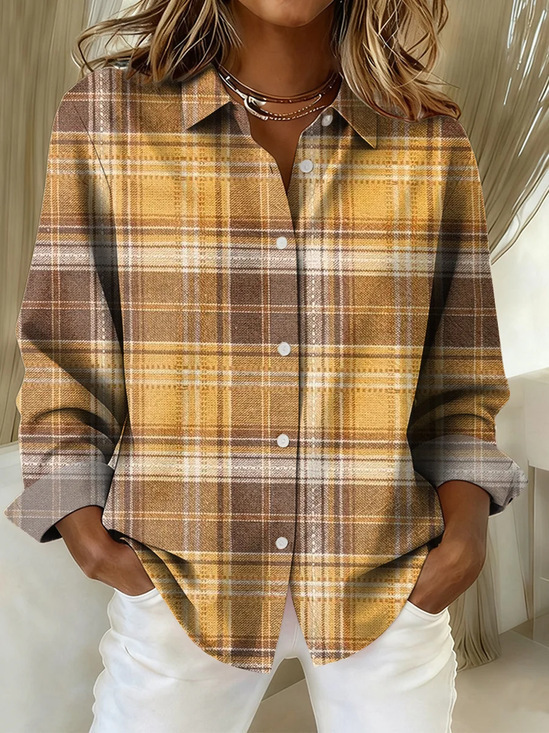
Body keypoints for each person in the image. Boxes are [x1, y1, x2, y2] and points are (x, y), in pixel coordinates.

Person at [4, 1, 528, 731]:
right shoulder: (109, 117)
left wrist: (465, 534)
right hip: (180, 583)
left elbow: (458, 376)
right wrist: (87, 535)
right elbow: (64, 348)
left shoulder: (426, 136)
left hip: (386, 582)